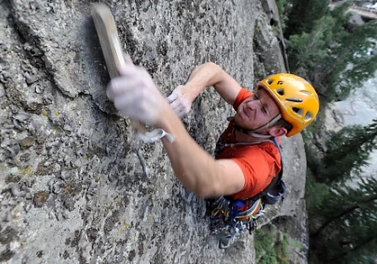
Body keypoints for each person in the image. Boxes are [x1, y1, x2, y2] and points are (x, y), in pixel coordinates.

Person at [107, 59, 319, 201]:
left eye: (263, 109)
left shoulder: (260, 165)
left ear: (277, 132)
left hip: (231, 194)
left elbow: (208, 181)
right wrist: (188, 92)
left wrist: (163, 115)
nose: (250, 104)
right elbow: (214, 71)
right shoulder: (254, 112)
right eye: (256, 96)